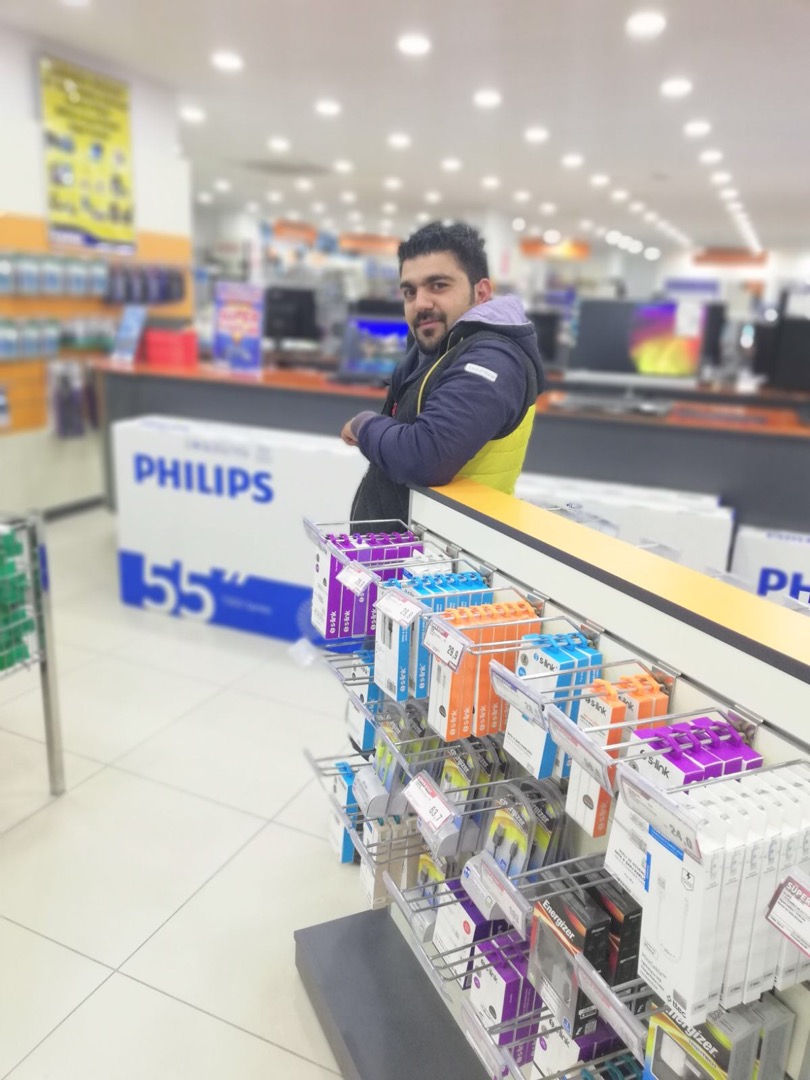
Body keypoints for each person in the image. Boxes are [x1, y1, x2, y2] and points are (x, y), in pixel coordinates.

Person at [342, 221, 544, 525]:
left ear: (481, 292)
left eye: (439, 285)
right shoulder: (437, 349)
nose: (421, 303)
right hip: (409, 544)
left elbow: (425, 457)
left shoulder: (493, 359)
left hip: (447, 548)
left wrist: (364, 424)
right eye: (409, 292)